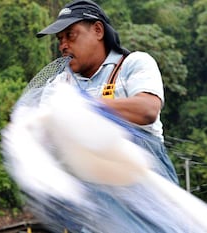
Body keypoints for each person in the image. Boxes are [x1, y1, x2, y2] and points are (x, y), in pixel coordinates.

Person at [36, 0, 178, 184]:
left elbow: (147, 110)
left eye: (70, 35)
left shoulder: (133, 64)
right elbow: (46, 137)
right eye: (60, 39)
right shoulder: (59, 84)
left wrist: (84, 105)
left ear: (98, 30)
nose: (63, 45)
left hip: (151, 187)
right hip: (96, 193)